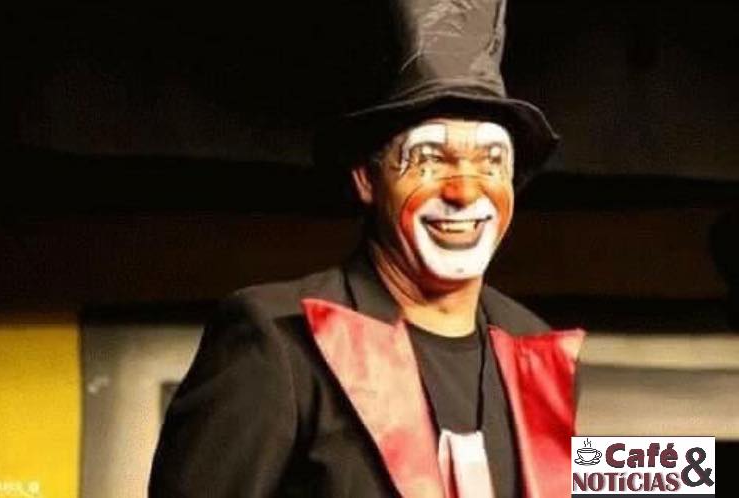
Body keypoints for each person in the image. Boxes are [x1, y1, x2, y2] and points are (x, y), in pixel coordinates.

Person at [150, 1, 584, 497]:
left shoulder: (534, 347)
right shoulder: (279, 340)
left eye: (491, 162)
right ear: (366, 180)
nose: (465, 191)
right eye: (429, 159)